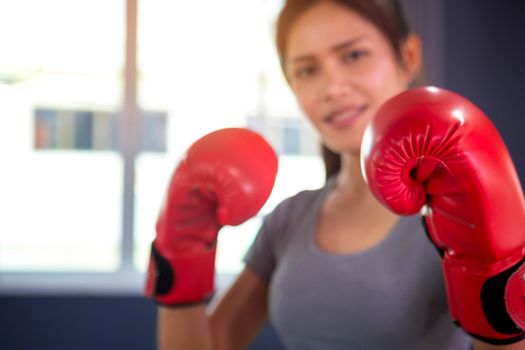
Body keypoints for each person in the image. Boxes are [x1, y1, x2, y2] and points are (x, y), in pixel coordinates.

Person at [147, 0, 525, 349]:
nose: (332, 88)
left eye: (354, 55)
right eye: (307, 70)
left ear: (407, 56)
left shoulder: (462, 214)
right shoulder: (290, 218)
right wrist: (179, 250)